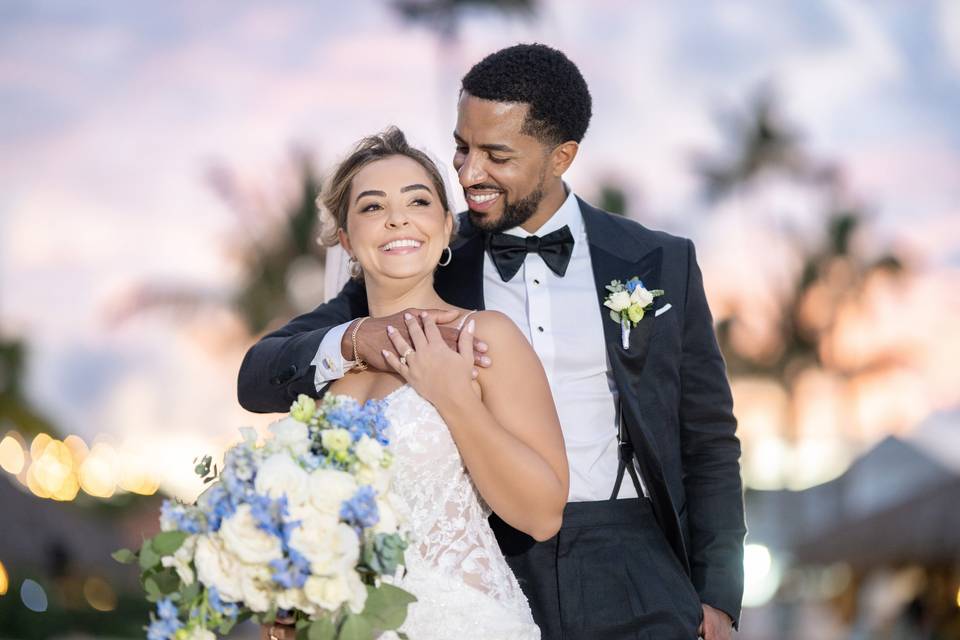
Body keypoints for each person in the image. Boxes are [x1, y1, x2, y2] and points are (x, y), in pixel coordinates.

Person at [242, 44, 745, 640]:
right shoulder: (424, 250)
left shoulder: (658, 260)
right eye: (462, 148)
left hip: (631, 555)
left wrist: (718, 596)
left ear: (560, 157)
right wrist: (358, 336)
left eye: (496, 155)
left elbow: (707, 436)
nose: (467, 173)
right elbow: (261, 374)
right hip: (492, 557)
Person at [260, 127, 567, 640]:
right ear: (346, 238)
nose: (397, 218)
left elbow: (543, 515)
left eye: (418, 201)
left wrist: (453, 396)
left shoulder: (484, 337)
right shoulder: (334, 370)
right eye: (372, 206)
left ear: (446, 228)